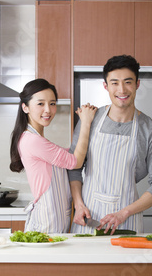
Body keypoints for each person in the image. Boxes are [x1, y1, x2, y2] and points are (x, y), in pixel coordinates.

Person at [68, 54, 152, 234]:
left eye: (128, 82)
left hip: (126, 222)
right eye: (114, 83)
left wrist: (123, 214)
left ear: (137, 84)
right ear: (105, 86)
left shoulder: (150, 129)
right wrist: (78, 204)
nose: (121, 90)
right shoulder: (89, 120)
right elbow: (73, 167)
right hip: (87, 218)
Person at [10, 78, 97, 233]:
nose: (48, 110)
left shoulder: (36, 139)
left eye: (52, 103)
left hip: (54, 219)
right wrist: (85, 123)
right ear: (25, 107)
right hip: (47, 221)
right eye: (40, 104)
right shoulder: (32, 141)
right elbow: (75, 161)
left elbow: (68, 155)